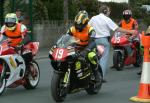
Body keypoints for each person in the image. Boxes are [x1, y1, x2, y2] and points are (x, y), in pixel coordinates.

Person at [88, 5, 137, 82]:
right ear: (105, 11)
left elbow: (87, 27)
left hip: (93, 41)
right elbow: (117, 28)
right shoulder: (106, 19)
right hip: (103, 41)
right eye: (108, 11)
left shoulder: (93, 18)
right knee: (103, 60)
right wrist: (130, 31)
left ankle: (93, 76)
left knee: (95, 59)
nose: (109, 12)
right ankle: (100, 78)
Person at [67, 10, 100, 81]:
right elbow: (66, 38)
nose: (78, 26)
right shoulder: (72, 29)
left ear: (85, 23)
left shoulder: (91, 29)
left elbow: (92, 42)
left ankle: (96, 73)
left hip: (88, 47)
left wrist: (86, 51)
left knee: (91, 56)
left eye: (80, 25)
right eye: (77, 24)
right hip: (76, 47)